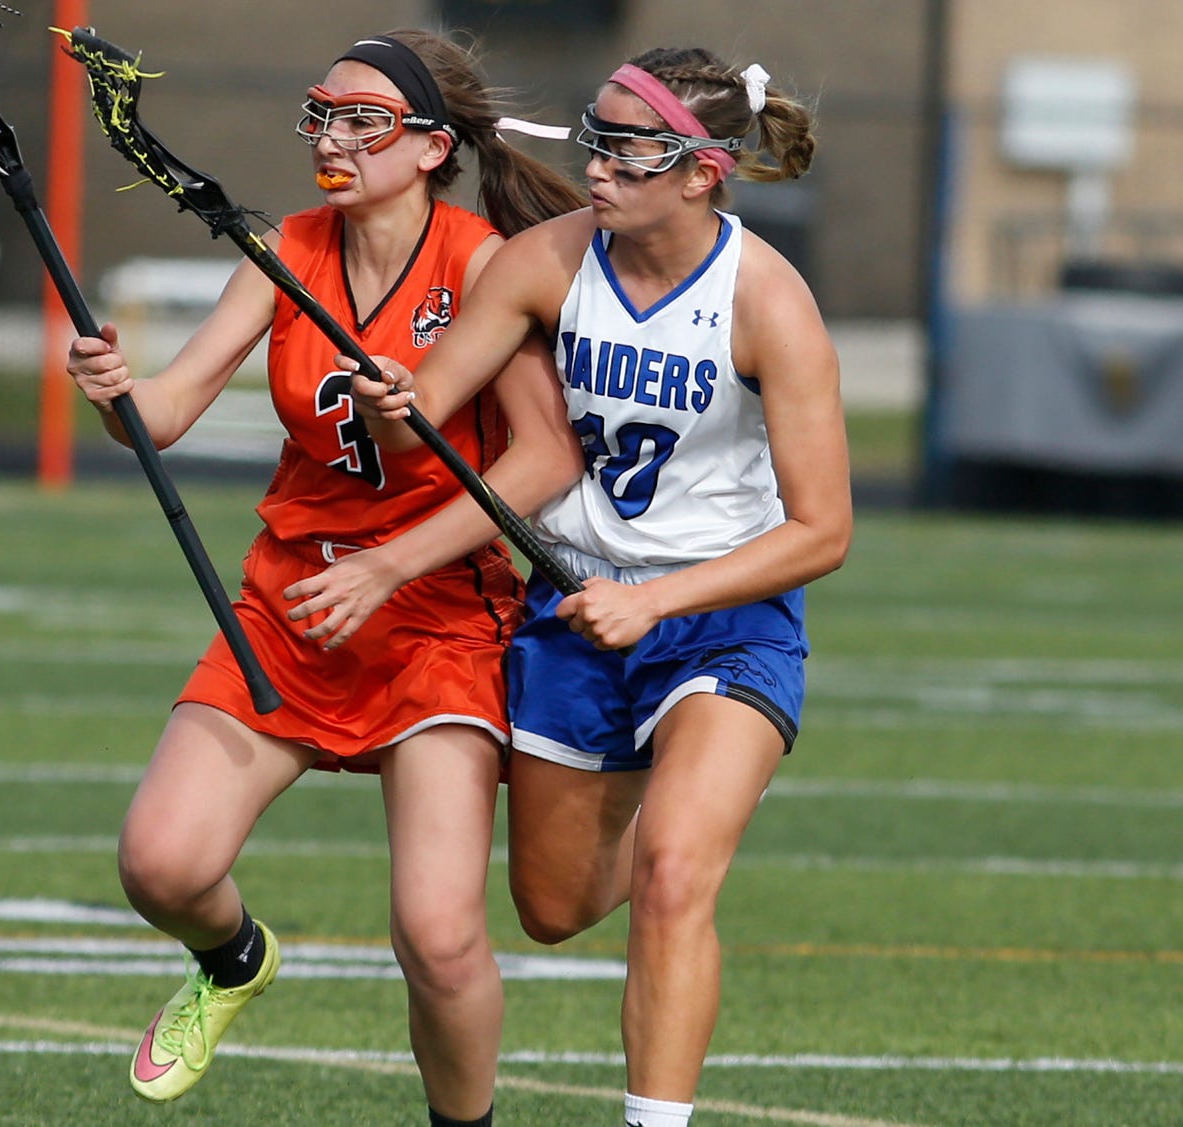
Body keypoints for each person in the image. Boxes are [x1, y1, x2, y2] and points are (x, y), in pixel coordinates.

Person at [303, 48, 851, 1127]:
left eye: (626, 150)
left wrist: (660, 600)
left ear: (701, 173)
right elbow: (422, 415)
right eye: (593, 140)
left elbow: (823, 529)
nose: (597, 167)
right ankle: (666, 798)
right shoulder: (544, 262)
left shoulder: (770, 302)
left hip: (722, 619)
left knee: (675, 873)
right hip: (570, 607)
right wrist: (386, 396)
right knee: (551, 908)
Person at [65, 30, 588, 1125]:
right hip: (294, 603)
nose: (334, 140)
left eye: (365, 122)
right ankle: (234, 957)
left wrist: (392, 562)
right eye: (322, 115)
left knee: (438, 935)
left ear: (433, 147)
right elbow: (164, 412)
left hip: (441, 616)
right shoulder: (285, 250)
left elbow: (542, 459)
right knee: (160, 865)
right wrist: (115, 390)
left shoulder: (484, 262)